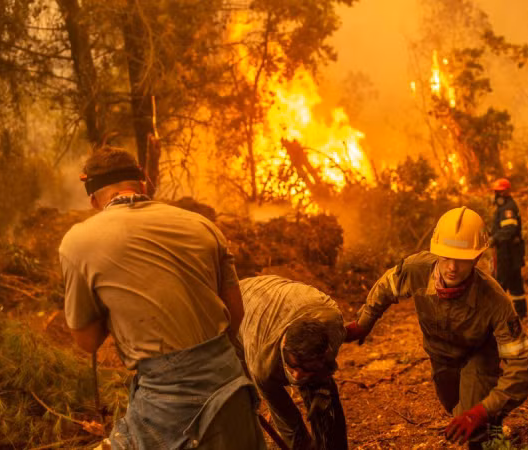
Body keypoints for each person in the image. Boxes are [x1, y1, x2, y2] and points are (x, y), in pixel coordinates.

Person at [59, 148, 265, 450]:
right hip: (230, 388)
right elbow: (235, 314)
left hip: (165, 405)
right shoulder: (203, 226)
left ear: (92, 200)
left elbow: (87, 341)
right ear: (145, 184)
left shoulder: (78, 242)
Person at [344, 207, 528, 449]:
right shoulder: (416, 270)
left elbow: (522, 367)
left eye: (462, 260)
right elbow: (386, 287)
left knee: (474, 421)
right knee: (453, 407)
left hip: (478, 357)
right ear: (436, 253)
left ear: (476, 259)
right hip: (441, 357)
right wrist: (364, 323)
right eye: (446, 257)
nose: (452, 267)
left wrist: (481, 411)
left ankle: (488, 432)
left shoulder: (494, 300)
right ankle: (488, 419)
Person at [238, 275, 348, 450]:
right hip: (239, 303)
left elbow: (324, 374)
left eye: (305, 368)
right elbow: (285, 417)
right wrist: (301, 445)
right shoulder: (262, 365)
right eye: (293, 366)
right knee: (243, 391)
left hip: (295, 300)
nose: (296, 375)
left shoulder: (333, 326)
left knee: (321, 391)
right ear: (283, 346)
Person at [490, 178, 527, 318]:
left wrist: (494, 238)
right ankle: (521, 312)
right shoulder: (503, 207)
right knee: (514, 281)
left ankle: (496, 314)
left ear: (506, 192)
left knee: (500, 282)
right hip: (509, 252)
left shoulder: (508, 208)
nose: (496, 195)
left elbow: (509, 229)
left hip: (508, 252)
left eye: (498, 192)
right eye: (496, 191)